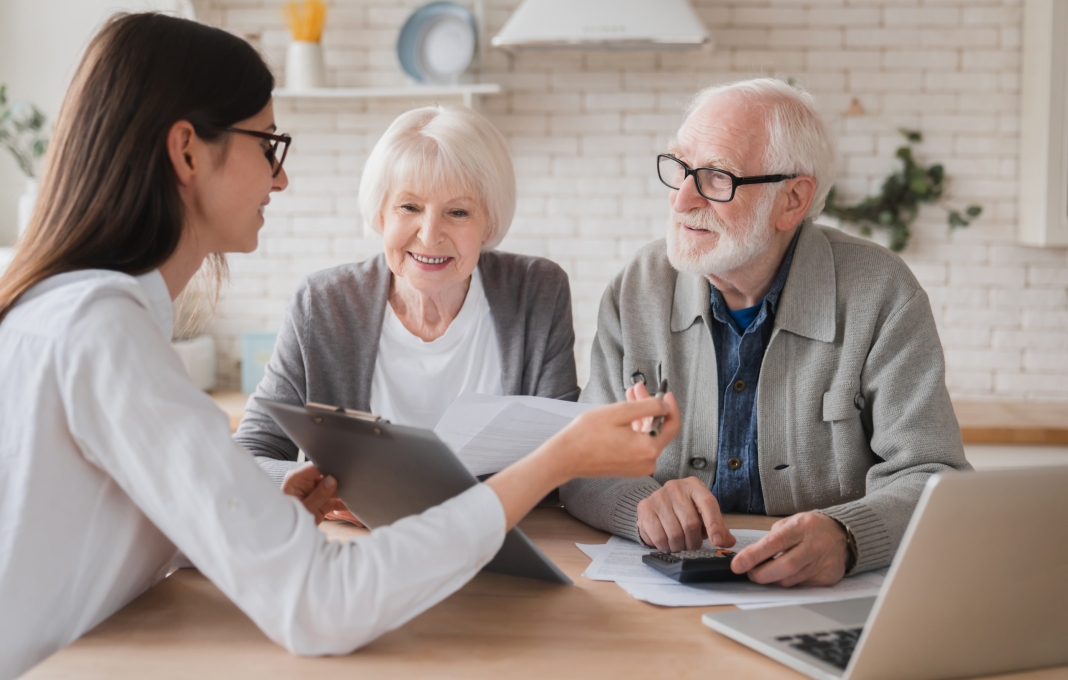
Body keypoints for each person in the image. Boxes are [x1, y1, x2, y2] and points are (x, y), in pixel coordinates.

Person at [0, 14, 680, 679]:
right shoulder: (103, 333)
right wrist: (561, 454)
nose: (281, 177)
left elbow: (139, 519)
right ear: (186, 152)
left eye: (458, 212)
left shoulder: (64, 314)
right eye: (268, 143)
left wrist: (270, 492)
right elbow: (323, 604)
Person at [560, 78, 971, 588]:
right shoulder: (636, 288)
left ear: (793, 200)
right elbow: (579, 461)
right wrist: (640, 504)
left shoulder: (882, 293)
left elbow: (934, 475)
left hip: (824, 593)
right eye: (680, 169)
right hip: (661, 588)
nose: (681, 199)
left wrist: (847, 536)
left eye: (716, 177)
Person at [235, 105, 579, 513]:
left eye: (458, 212)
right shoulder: (322, 304)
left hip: (493, 541)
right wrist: (321, 490)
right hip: (358, 547)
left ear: (489, 223)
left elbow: (565, 458)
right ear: (381, 213)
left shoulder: (537, 292)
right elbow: (250, 452)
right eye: (409, 207)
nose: (430, 235)